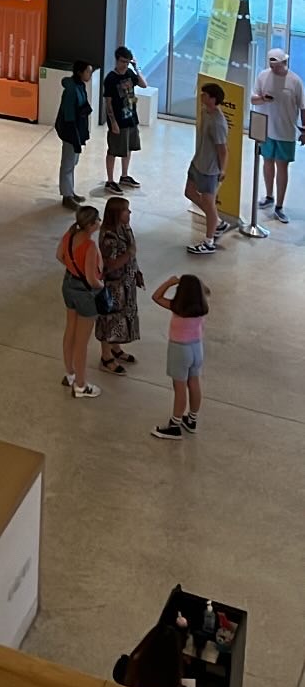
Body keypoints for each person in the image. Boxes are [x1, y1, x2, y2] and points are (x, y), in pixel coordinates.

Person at [150, 272, 210, 439]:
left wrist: (170, 282)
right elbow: (206, 291)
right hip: (197, 348)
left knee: (180, 387)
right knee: (194, 383)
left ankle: (175, 425)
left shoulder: (177, 307)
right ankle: (192, 420)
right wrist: (198, 283)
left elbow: (156, 296)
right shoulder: (202, 307)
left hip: (179, 349)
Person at [252, 46, 305, 222]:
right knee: (267, 162)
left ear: (284, 62)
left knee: (282, 167)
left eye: (277, 64)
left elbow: (303, 107)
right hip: (266, 129)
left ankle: (280, 206)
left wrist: (304, 130)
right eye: (271, 64)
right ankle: (269, 196)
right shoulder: (263, 76)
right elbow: (253, 98)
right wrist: (263, 99)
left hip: (286, 131)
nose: (274, 68)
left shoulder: (295, 81)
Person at [57, 203, 104, 398]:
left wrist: (72, 268)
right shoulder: (90, 245)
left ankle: (70, 373)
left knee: (70, 330)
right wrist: (102, 287)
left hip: (68, 285)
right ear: (92, 224)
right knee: (82, 342)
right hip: (85, 293)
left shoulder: (70, 235)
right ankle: (81, 384)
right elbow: (92, 278)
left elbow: (59, 255)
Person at [96, 194, 141, 374]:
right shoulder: (108, 236)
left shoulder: (124, 228)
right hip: (114, 285)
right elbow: (111, 263)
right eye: (125, 210)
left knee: (122, 316)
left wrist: (136, 270)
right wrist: (129, 254)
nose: (129, 212)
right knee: (110, 318)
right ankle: (106, 356)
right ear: (116, 213)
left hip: (126, 282)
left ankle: (116, 347)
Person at [186, 82, 230, 255]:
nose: (201, 97)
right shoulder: (205, 112)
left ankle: (209, 241)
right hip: (198, 162)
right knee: (189, 192)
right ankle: (217, 222)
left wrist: (223, 170)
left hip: (209, 169)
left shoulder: (218, 123)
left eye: (204, 95)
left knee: (209, 204)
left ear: (213, 99)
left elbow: (223, 150)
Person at [103, 44, 147, 191]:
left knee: (128, 147)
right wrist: (113, 122)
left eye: (127, 62)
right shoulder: (110, 78)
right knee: (114, 149)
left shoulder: (129, 73)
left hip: (131, 117)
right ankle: (110, 180)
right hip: (118, 120)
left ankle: (124, 175)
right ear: (117, 60)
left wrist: (136, 67)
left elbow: (143, 84)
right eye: (122, 61)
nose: (125, 65)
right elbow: (108, 103)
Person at [55, 61, 92, 209]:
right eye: (88, 72)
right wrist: (75, 137)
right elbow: (69, 116)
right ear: (79, 72)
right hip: (71, 130)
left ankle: (70, 191)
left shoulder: (80, 85)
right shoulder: (71, 90)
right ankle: (66, 195)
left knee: (73, 162)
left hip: (78, 128)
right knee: (68, 163)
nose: (89, 74)